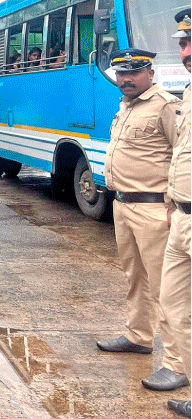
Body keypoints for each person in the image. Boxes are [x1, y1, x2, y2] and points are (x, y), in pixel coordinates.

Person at [96, 48, 188, 392]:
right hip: (123, 205)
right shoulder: (126, 105)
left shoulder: (166, 105)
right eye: (121, 74)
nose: (126, 79)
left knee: (169, 290)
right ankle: (139, 335)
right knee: (136, 277)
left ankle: (176, 364)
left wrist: (171, 204)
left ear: (150, 72)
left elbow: (181, 153)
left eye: (134, 72)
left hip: (154, 208)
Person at [162, 8, 191, 418]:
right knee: (172, 304)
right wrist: (171, 202)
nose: (186, 51)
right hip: (182, 216)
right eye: (183, 42)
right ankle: (180, 373)